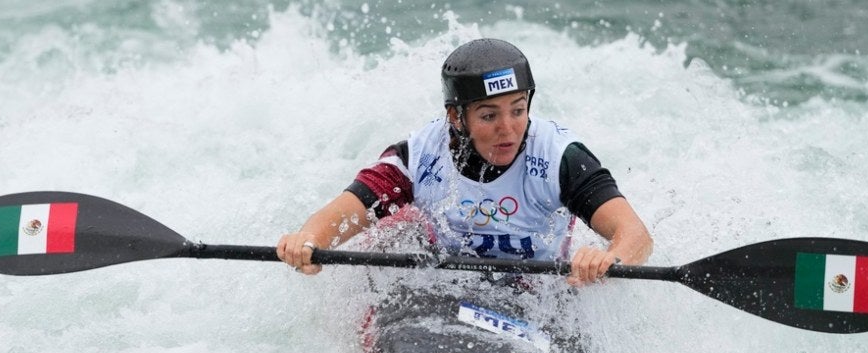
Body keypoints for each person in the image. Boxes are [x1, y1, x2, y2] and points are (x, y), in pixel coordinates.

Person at [277, 37, 653, 287]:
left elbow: (635, 235)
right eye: (489, 116)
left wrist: (608, 260)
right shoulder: (420, 154)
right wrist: (311, 239)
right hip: (444, 287)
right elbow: (347, 210)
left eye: (518, 110)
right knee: (389, 235)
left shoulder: (560, 157)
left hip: (538, 294)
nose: (508, 129)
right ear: (457, 118)